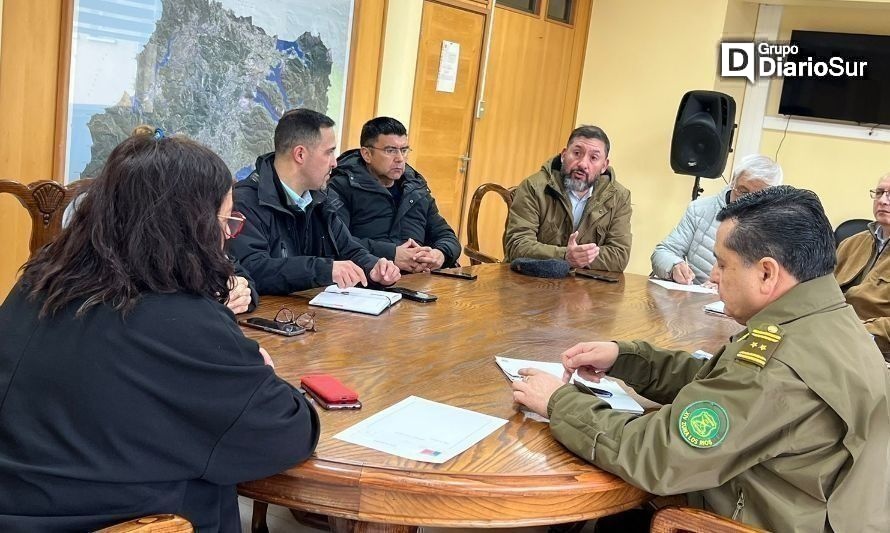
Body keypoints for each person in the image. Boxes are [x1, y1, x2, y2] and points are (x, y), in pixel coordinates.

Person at [512, 186, 890, 532]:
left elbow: (657, 457)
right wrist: (628, 358)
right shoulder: (826, 320)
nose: (713, 275)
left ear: (766, 273)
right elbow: (726, 383)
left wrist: (558, 402)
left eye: (723, 265)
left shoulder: (780, 365)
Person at [0, 134, 320, 531]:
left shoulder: (40, 281)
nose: (225, 239)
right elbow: (286, 433)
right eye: (226, 222)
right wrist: (261, 372)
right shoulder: (182, 321)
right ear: (192, 226)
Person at [62, 124, 260, 313]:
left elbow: (233, 269)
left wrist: (239, 291)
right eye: (224, 220)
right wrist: (206, 308)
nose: (227, 233)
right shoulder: (125, 238)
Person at [229, 108, 400, 295]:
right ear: (300, 154)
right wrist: (323, 269)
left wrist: (374, 268)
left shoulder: (321, 200)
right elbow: (252, 270)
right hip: (266, 318)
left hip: (314, 314)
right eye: (329, 152)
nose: (335, 163)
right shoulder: (244, 201)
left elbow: (349, 250)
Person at [328, 117, 460, 272]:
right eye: (390, 151)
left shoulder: (416, 189)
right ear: (366, 154)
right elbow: (335, 242)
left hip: (419, 280)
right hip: (367, 279)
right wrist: (392, 254)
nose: (400, 159)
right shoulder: (342, 187)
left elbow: (448, 237)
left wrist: (439, 254)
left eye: (404, 150)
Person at [504, 125, 632, 271]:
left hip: (585, 288)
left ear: (604, 166)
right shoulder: (534, 187)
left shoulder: (619, 197)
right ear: (564, 155)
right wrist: (565, 256)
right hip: (529, 281)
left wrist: (577, 258)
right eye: (577, 153)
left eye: (593, 158)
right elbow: (517, 245)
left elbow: (619, 256)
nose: (583, 164)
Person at [651, 154, 783, 285]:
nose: (748, 201)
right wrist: (674, 266)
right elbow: (664, 252)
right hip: (695, 297)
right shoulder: (700, 210)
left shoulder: (778, 227)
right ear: (733, 182)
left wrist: (728, 289)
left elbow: (776, 282)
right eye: (743, 191)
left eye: (758, 197)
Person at [835, 173, 890, 362]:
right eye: (880, 192)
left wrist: (855, 331)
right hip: (831, 336)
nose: (883, 200)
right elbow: (819, 291)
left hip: (876, 352)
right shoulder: (851, 243)